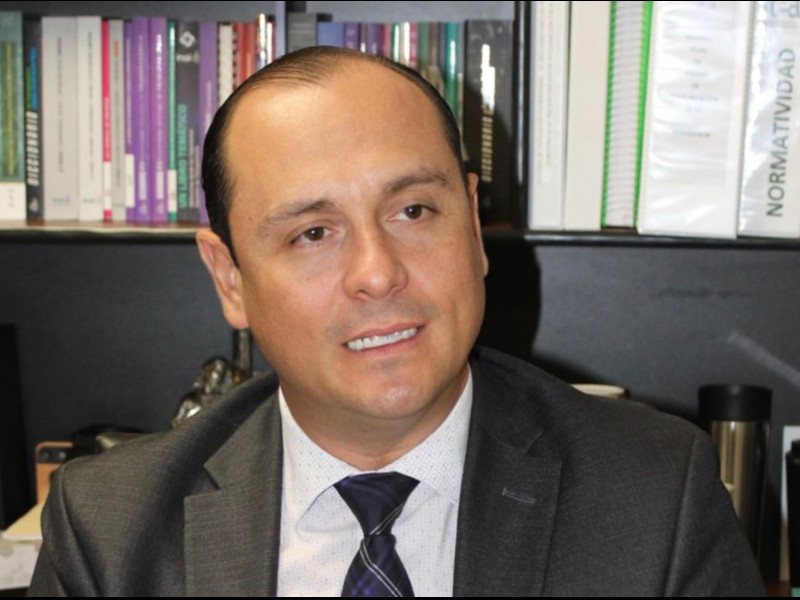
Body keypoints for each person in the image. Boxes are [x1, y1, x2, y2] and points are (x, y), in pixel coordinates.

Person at [28, 46, 764, 596]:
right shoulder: (110, 529)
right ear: (230, 278)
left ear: (472, 225)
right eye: (313, 233)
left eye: (413, 210)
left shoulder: (653, 496)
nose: (377, 273)